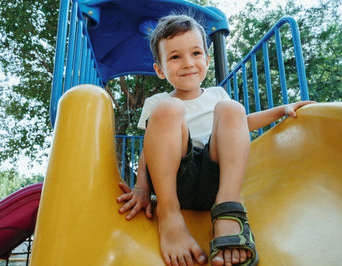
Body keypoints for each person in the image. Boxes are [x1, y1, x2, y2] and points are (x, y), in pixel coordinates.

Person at [116, 14, 315, 266]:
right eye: (175, 57)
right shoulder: (158, 104)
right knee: (170, 109)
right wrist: (142, 188)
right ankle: (169, 215)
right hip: (174, 184)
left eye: (196, 53)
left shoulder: (217, 96)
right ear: (160, 70)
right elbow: (150, 149)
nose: (188, 63)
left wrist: (279, 110)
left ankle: (228, 210)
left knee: (231, 108)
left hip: (217, 183)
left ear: (207, 60)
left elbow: (239, 126)